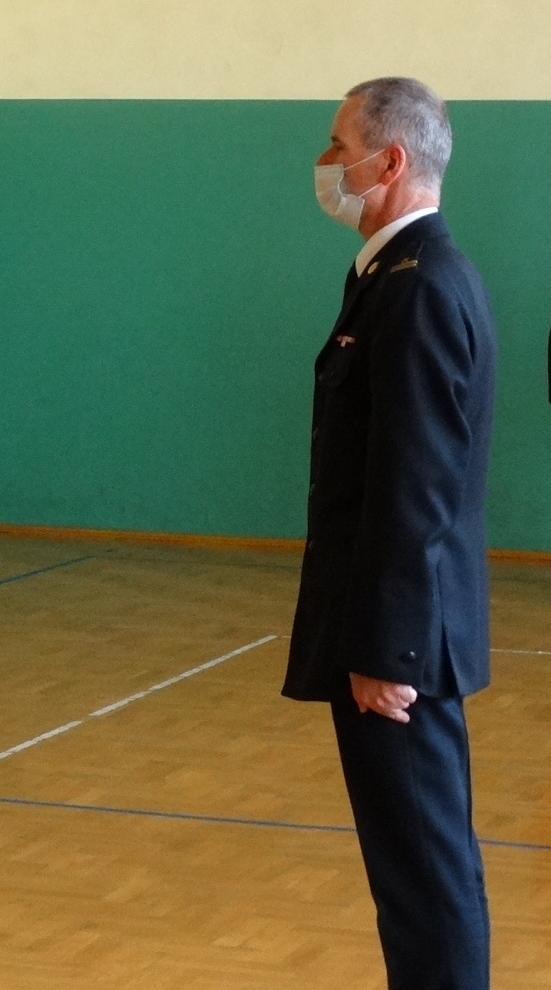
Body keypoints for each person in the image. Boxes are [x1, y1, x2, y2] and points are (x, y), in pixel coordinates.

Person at [284, 77, 495, 990]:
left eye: (340, 146)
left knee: (424, 875)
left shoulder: (419, 288)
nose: (327, 162)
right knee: (413, 869)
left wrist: (388, 651)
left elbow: (416, 486)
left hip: (400, 650)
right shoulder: (393, 275)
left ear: (390, 160)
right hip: (391, 632)